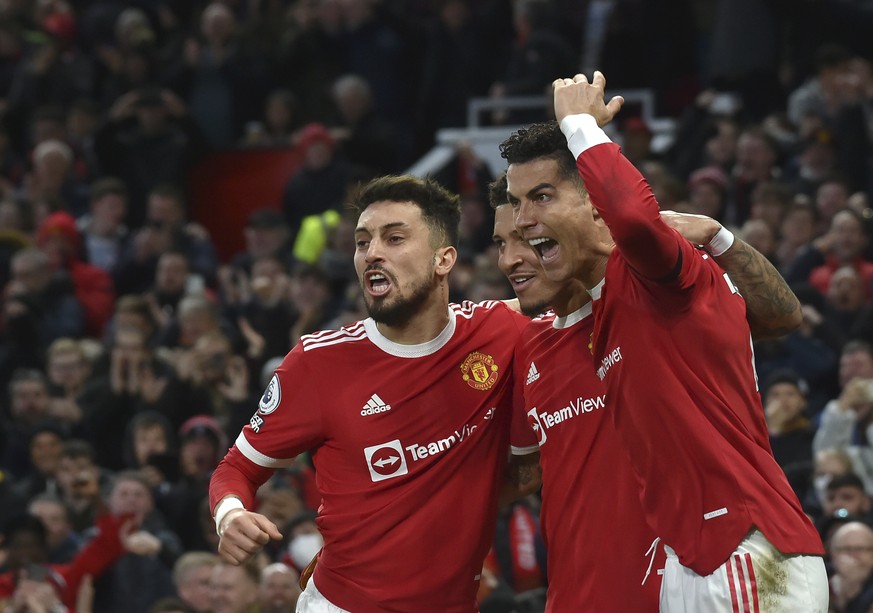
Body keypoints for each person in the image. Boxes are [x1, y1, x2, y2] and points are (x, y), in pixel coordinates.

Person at [500, 70, 826, 610]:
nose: (525, 220)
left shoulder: (656, 272)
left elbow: (632, 214)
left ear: (594, 202)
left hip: (742, 548)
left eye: (541, 197)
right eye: (517, 203)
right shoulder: (603, 308)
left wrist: (581, 126)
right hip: (692, 559)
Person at [209, 175, 532, 612]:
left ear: (444, 259)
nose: (372, 253)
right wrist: (230, 515)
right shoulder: (317, 363)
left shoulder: (500, 332)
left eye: (394, 238)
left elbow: (575, 297)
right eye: (363, 242)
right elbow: (236, 469)